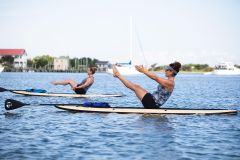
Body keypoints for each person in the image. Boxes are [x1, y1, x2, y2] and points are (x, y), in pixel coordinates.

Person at [112, 62, 181, 109]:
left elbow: (155, 78)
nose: (165, 71)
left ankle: (118, 75)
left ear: (171, 72)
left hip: (153, 104)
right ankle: (118, 75)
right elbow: (155, 77)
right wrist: (144, 70)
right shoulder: (168, 81)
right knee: (136, 87)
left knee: (136, 87)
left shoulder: (170, 83)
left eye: (167, 70)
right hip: (152, 100)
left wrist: (143, 71)